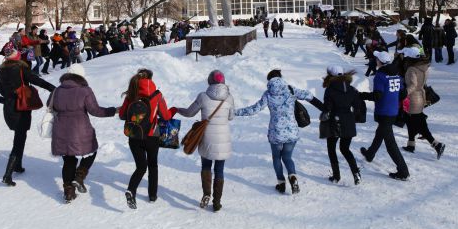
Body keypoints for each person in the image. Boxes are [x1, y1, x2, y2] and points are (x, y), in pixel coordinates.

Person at [235, 69, 320, 194]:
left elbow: (254, 109)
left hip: (276, 133)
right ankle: (293, 176)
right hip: (292, 132)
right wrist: (324, 108)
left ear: (269, 80)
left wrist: (235, 112)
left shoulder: (268, 94)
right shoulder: (290, 89)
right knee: (287, 157)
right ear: (280, 78)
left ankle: (281, 184)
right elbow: (308, 95)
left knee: (276, 157)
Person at [50, 64, 117, 203]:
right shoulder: (84, 90)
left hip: (61, 129)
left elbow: (49, 105)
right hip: (80, 129)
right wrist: (113, 110)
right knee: (92, 151)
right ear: (81, 76)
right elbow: (95, 111)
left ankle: (68, 192)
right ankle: (79, 177)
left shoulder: (57, 90)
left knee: (68, 160)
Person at [174, 70, 234, 212]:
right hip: (223, 139)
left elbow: (189, 113)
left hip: (206, 137)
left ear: (209, 81)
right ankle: (217, 202)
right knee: (219, 170)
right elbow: (231, 117)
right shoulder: (229, 98)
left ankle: (206, 194)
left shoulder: (203, 97)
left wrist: (177, 109)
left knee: (206, 167)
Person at [0, 41, 55, 186]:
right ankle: (7, 175)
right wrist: (52, 88)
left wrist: (11, 94)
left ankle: (17, 165)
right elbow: (36, 80)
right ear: (16, 56)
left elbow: (0, 90)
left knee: (19, 136)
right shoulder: (21, 69)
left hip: (9, 107)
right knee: (19, 139)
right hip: (20, 108)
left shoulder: (1, 70)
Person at [119, 69, 175, 209]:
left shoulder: (131, 95)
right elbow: (166, 116)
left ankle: (131, 190)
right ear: (151, 79)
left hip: (134, 136)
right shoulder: (157, 95)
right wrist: (174, 110)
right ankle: (152, 195)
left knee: (140, 167)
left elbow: (121, 115)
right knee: (152, 165)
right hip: (152, 136)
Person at [359, 51, 410, 181]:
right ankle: (370, 154)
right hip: (393, 111)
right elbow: (403, 94)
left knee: (390, 144)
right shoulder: (397, 74)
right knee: (380, 133)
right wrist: (392, 98)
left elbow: (377, 96)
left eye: (377, 59)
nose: (376, 61)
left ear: (380, 62)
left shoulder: (380, 76)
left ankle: (403, 171)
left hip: (384, 112)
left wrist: (361, 95)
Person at [399, 46, 446, 159]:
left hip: (412, 99)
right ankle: (411, 145)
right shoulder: (423, 67)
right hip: (421, 97)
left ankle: (437, 145)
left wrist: (404, 93)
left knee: (420, 125)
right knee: (411, 121)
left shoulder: (411, 69)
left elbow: (413, 85)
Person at [320, 66, 362, 185]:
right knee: (345, 149)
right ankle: (356, 173)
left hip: (335, 122)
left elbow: (327, 107)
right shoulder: (351, 89)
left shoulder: (330, 89)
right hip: (348, 121)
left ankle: (336, 176)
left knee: (331, 148)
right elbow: (357, 105)